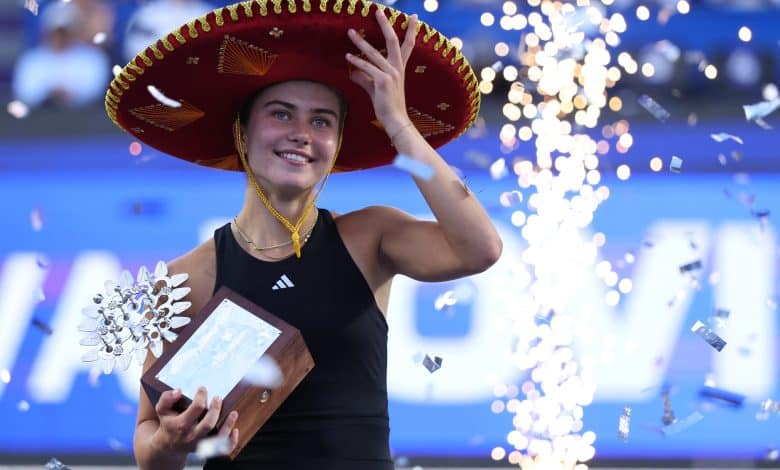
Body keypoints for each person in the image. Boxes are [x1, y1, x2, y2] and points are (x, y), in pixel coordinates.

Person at [106, 1, 502, 468]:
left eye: (321, 121)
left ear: (335, 146)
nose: (301, 134)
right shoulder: (180, 281)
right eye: (281, 114)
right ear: (243, 131)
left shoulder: (370, 238)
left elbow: (480, 248)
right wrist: (170, 442)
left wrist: (400, 126)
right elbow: (150, 446)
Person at [12, 1, 110, 109]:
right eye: (56, 32)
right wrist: (50, 94)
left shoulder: (93, 58)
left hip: (82, 119)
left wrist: (70, 95)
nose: (59, 37)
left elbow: (94, 91)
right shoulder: (31, 60)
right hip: (39, 119)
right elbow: (25, 92)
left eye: (64, 32)